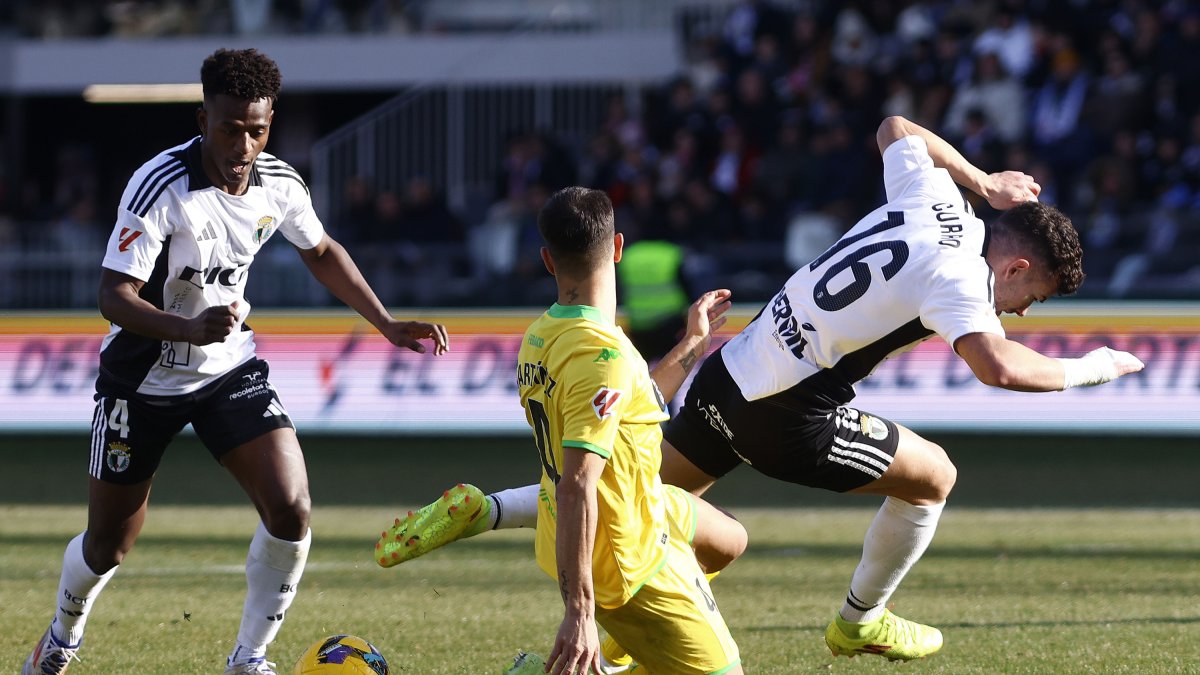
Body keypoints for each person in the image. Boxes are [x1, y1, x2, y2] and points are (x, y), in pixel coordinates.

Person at [373, 116, 1148, 665]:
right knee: (933, 477)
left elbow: (895, 128)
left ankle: (490, 510)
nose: (1021, 311)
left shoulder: (939, 202)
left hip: (729, 372)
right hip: (787, 415)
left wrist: (982, 179)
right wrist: (1095, 368)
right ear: (1014, 268)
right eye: (1032, 297)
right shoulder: (964, 282)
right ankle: (858, 621)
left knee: (629, 499)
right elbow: (999, 368)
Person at [21, 48, 449, 675]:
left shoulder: (280, 182)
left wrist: (384, 322)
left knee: (291, 507)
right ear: (203, 118)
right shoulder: (160, 186)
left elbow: (321, 247)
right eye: (230, 128)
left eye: (258, 128)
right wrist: (186, 326)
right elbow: (113, 296)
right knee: (110, 544)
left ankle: (249, 658)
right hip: (141, 380)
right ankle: (62, 635)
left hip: (227, 370)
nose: (244, 144)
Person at [379, 187, 746, 675]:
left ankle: (614, 651)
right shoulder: (603, 356)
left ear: (548, 261)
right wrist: (580, 612)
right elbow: (577, 483)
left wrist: (693, 342)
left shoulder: (541, 337)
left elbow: (635, 404)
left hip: (644, 507)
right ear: (617, 248)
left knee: (729, 540)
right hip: (625, 554)